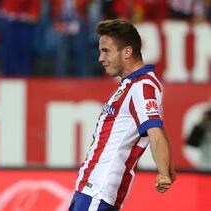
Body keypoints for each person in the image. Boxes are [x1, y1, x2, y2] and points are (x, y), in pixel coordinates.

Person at [69, 19, 176, 211]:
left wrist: (164, 172)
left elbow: (154, 130)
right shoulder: (132, 84)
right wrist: (169, 168)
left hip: (99, 191)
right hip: (90, 189)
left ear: (127, 52)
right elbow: (156, 124)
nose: (100, 58)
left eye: (106, 51)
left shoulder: (142, 86)